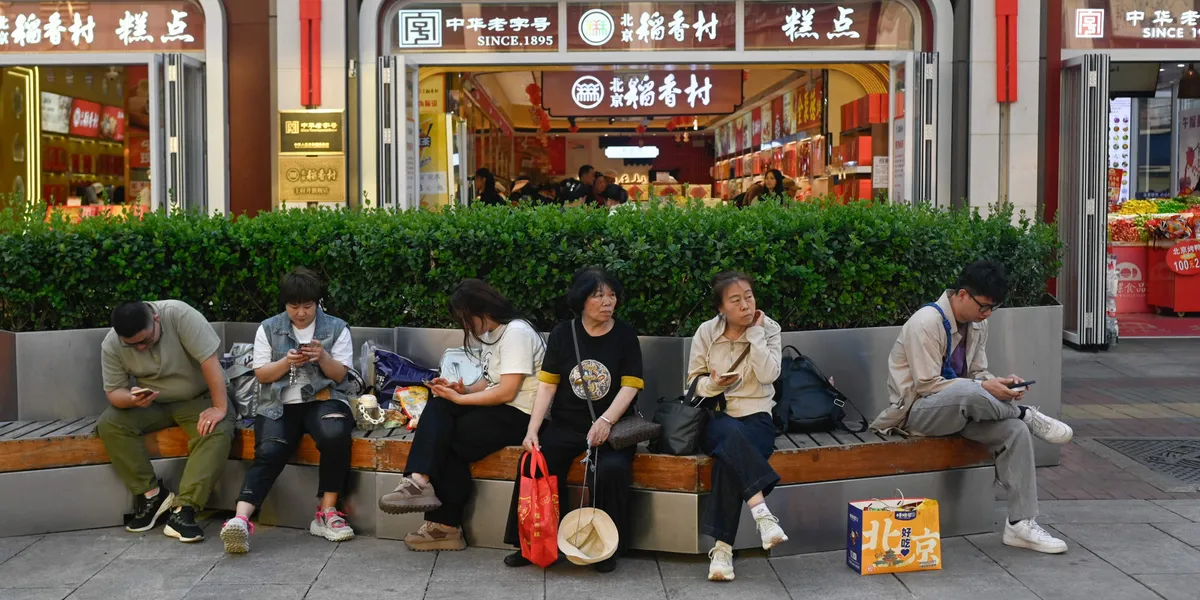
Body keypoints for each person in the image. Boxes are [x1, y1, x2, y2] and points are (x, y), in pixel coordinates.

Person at [870, 260, 1074, 554]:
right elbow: (928, 385)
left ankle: (1020, 524)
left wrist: (1002, 385)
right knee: (970, 391)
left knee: (1014, 431)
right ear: (962, 294)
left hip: (963, 410)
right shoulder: (925, 322)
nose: (987, 314)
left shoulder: (977, 326)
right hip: (916, 415)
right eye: (984, 307)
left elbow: (978, 374)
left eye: (993, 308)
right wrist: (982, 388)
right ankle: (1027, 414)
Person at [378, 279, 545, 551]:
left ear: (480, 309)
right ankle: (419, 483)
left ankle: (442, 523)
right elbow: (490, 382)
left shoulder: (516, 333)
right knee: (440, 405)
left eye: (465, 318)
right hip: (501, 407)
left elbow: (507, 391)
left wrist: (461, 398)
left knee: (447, 439)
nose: (465, 325)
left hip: (522, 415)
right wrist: (461, 389)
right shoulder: (492, 334)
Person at [502, 267, 643, 573]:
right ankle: (533, 544)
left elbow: (630, 385)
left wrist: (606, 420)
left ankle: (607, 548)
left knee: (611, 469)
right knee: (533, 463)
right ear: (581, 301)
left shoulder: (625, 334)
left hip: (613, 426)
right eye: (598, 295)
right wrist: (533, 430)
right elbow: (548, 385)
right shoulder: (563, 334)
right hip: (566, 425)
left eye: (611, 295)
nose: (608, 302)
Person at [219, 268, 358, 554]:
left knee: (335, 434)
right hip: (278, 405)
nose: (301, 313)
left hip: (324, 399)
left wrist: (323, 357)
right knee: (270, 450)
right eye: (294, 306)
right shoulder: (268, 328)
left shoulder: (336, 328)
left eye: (308, 306)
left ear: (318, 303)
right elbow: (262, 375)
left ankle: (327, 512)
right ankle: (241, 519)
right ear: (285, 304)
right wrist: (286, 362)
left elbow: (340, 376)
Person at [96, 300, 233, 543]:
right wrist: (131, 398)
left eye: (145, 341)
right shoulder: (111, 343)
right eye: (132, 345)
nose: (139, 348)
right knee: (110, 423)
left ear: (155, 319)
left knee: (217, 429)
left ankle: (185, 509)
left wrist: (219, 407)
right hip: (152, 402)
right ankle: (151, 496)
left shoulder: (179, 315)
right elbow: (114, 392)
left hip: (196, 397)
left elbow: (209, 362)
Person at [687, 272, 785, 582]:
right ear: (721, 308)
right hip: (715, 416)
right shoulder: (706, 333)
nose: (745, 305)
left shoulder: (769, 330)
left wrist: (755, 336)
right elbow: (692, 384)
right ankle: (762, 514)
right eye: (735, 300)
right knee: (728, 435)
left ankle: (722, 549)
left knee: (727, 460)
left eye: (749, 297)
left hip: (756, 416)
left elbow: (769, 375)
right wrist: (714, 383)